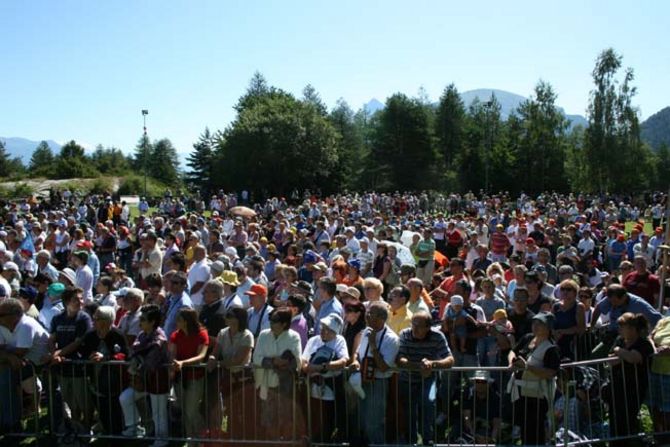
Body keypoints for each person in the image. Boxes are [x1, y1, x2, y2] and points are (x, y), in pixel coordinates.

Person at [397, 310, 454, 444]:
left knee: (428, 403)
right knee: (409, 410)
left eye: (419, 325)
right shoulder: (405, 334)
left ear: (428, 327)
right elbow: (400, 359)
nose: (414, 328)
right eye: (413, 324)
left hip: (428, 378)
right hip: (407, 378)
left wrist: (432, 364)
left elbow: (450, 360)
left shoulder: (437, 336)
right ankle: (411, 439)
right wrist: (419, 366)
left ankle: (428, 438)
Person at [119, 304, 171, 446]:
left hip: (158, 379)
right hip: (143, 379)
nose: (139, 322)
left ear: (152, 322)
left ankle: (162, 440)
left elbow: (148, 363)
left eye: (143, 319)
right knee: (125, 398)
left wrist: (136, 365)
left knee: (158, 412)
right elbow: (133, 353)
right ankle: (134, 427)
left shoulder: (159, 338)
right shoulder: (142, 335)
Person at [507, 312, 560, 446]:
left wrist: (528, 367)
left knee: (536, 431)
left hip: (538, 396)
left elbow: (551, 372)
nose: (535, 326)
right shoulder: (527, 338)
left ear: (548, 328)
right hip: (520, 392)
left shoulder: (551, 348)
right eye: (534, 323)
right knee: (524, 429)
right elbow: (513, 351)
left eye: (540, 324)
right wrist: (511, 362)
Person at [351, 301, 400, 444]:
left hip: (377, 384)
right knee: (360, 421)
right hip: (361, 380)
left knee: (373, 424)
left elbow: (384, 367)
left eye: (371, 313)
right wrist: (355, 361)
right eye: (367, 312)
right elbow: (358, 353)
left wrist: (373, 344)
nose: (367, 315)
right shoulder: (367, 331)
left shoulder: (391, 339)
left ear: (381, 318)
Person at [604, 312, 654, 447]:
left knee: (626, 420)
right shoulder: (619, 341)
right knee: (614, 420)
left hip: (633, 389)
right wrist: (622, 354)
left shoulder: (643, 344)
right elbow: (610, 360)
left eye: (622, 326)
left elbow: (634, 358)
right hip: (616, 387)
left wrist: (619, 351)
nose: (619, 329)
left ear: (632, 329)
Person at [77, 306, 128, 435]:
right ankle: (106, 432)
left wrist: (106, 358)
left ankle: (117, 435)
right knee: (102, 409)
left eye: (97, 318)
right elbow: (82, 351)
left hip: (115, 382)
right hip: (95, 380)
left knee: (115, 411)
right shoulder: (90, 335)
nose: (93, 320)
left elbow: (125, 354)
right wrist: (88, 356)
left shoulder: (117, 335)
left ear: (106, 321)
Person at [252, 307, 302, 440]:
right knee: (268, 420)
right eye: (270, 319)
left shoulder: (294, 337)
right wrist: (274, 361)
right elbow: (256, 358)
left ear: (284, 323)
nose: (271, 323)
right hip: (266, 385)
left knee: (286, 419)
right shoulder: (263, 335)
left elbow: (296, 362)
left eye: (274, 320)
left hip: (285, 387)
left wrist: (283, 363)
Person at [207, 306, 254, 440]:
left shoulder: (247, 335)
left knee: (243, 409)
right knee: (227, 408)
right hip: (227, 378)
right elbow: (215, 352)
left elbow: (238, 360)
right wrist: (212, 358)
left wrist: (218, 363)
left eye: (230, 316)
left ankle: (245, 436)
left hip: (243, 378)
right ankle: (229, 434)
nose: (226, 318)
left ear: (238, 319)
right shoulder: (222, 333)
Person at [302, 314, 349, 443]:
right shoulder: (313, 340)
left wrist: (323, 366)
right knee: (313, 421)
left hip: (331, 390)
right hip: (312, 389)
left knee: (328, 423)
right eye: (322, 327)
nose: (323, 331)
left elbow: (344, 361)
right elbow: (304, 364)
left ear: (335, 332)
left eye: (327, 329)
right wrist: (318, 368)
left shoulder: (340, 341)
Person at [168, 308, 209, 445]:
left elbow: (201, 356)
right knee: (185, 411)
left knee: (191, 411)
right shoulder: (176, 335)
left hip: (195, 378)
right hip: (180, 378)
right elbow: (172, 352)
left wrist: (182, 363)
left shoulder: (202, 334)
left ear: (186, 321)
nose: (176, 322)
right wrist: (174, 362)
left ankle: (203, 438)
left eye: (179, 319)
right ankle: (191, 440)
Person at [553, 279, 586, 360]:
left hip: (572, 343)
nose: (565, 292)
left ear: (575, 292)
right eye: (562, 289)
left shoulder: (579, 307)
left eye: (568, 289)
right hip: (556, 341)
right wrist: (554, 333)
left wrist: (562, 332)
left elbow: (581, 328)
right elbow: (551, 323)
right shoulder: (555, 306)